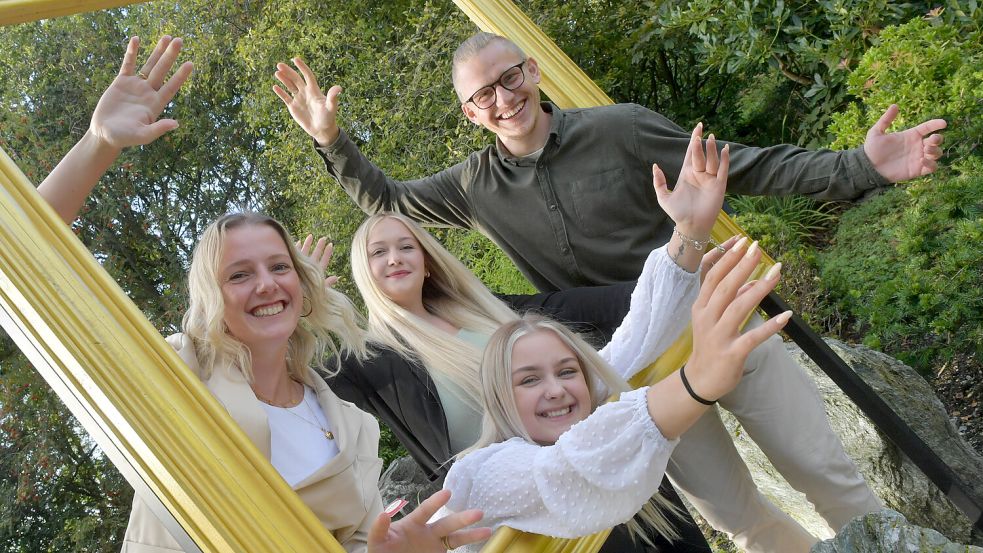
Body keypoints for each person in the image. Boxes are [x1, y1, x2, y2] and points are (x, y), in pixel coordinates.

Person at [273, 31, 945, 549]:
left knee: (819, 466)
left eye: (510, 79)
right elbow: (388, 202)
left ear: (531, 72)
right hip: (629, 377)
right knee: (734, 515)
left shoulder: (616, 128)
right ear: (468, 112)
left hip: (711, 320)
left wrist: (860, 165)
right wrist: (332, 141)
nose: (503, 100)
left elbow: (735, 166)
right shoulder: (472, 187)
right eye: (483, 95)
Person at [36, 35, 490, 553]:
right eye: (239, 275)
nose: (268, 283)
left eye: (279, 267)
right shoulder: (177, 373)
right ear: (211, 296)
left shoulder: (351, 425)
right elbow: (19, 255)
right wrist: (99, 143)